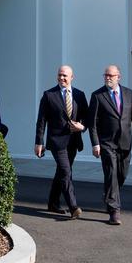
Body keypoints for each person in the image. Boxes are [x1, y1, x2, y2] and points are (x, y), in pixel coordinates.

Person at [88, 65, 132, 225]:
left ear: (118, 77)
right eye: (105, 75)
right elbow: (92, 123)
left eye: (111, 75)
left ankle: (109, 195)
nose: (108, 78)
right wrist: (95, 144)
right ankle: (114, 211)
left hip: (125, 142)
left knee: (121, 175)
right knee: (112, 173)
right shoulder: (97, 96)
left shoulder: (128, 94)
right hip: (107, 143)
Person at [34, 65, 89, 219]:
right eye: (60, 75)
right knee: (66, 171)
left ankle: (53, 202)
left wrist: (82, 126)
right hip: (57, 141)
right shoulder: (49, 95)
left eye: (65, 75)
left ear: (72, 77)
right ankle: (73, 207)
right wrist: (39, 142)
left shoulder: (79, 95)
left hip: (73, 141)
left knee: (61, 172)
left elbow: (86, 116)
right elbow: (41, 121)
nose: (62, 78)